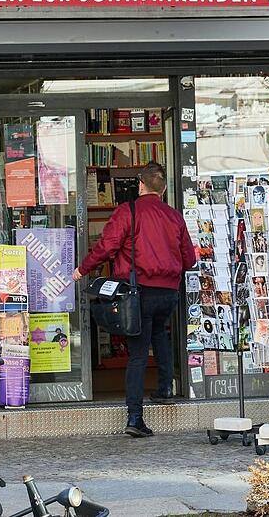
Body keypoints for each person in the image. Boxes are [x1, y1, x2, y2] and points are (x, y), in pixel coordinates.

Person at [72, 162, 196, 437]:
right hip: (168, 292)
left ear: (141, 184)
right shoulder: (175, 216)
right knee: (161, 335)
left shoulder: (128, 211)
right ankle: (165, 388)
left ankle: (135, 417)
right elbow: (189, 259)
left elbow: (107, 246)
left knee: (138, 353)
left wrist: (83, 269)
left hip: (138, 291)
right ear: (163, 189)